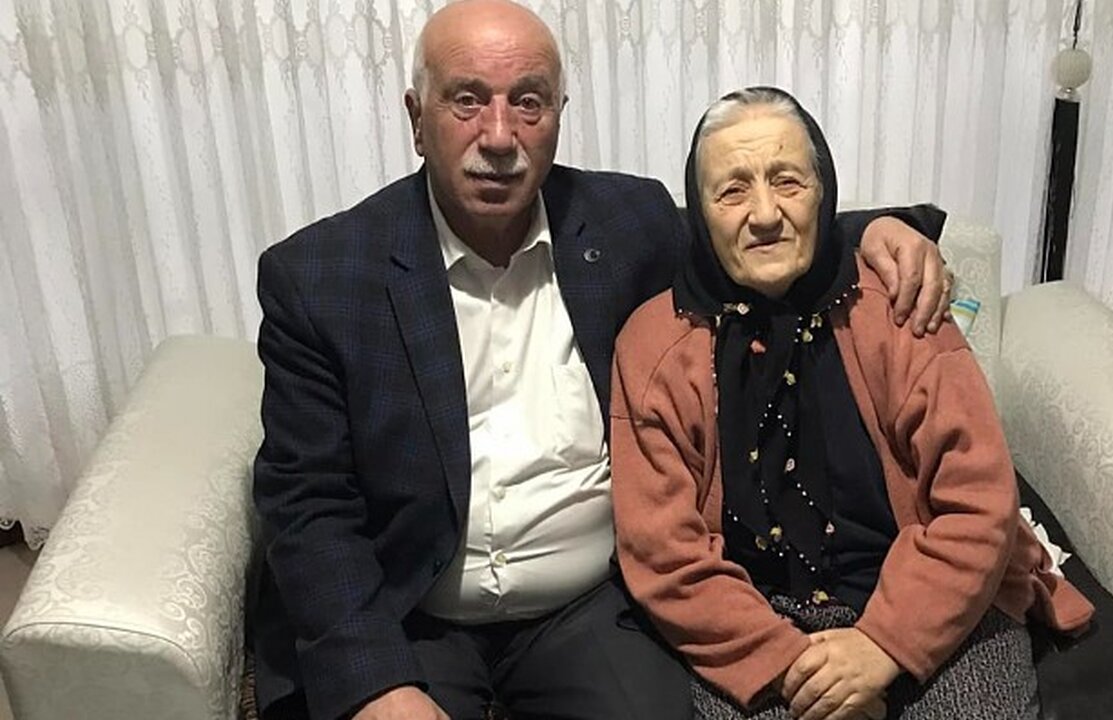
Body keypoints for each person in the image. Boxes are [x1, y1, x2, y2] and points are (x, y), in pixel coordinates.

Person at [250, 2, 952, 718]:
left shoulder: (625, 222)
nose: (500, 136)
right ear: (416, 118)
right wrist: (375, 682)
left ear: (558, 114)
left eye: (528, 102)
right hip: (408, 610)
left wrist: (880, 231)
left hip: (584, 610)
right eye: (467, 100)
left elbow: (748, 240)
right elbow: (307, 504)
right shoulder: (321, 278)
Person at [610, 86, 1095, 720]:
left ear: (825, 192)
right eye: (732, 191)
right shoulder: (654, 343)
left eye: (788, 181)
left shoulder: (900, 304)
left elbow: (978, 500)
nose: (764, 213)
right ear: (699, 215)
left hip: (929, 588)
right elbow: (661, 550)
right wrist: (796, 669)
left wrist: (882, 646)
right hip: (752, 619)